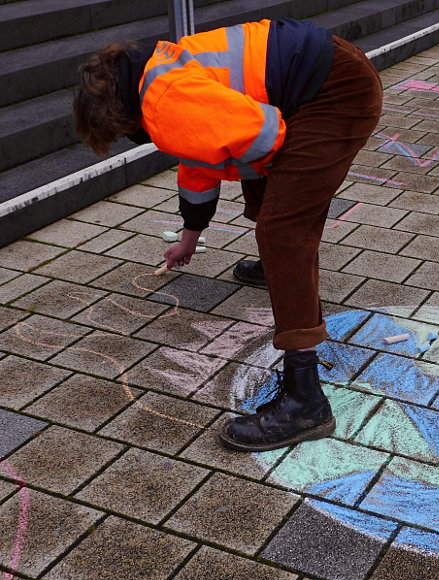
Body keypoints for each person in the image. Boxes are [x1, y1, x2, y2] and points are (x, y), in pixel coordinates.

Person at [74, 18, 383, 451]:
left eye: (121, 134)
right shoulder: (156, 74)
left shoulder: (162, 102)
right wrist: (190, 236)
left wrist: (286, 206)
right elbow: (200, 154)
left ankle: (306, 402)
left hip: (334, 90)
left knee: (283, 230)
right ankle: (276, 269)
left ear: (117, 116)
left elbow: (263, 136)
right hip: (325, 70)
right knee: (275, 201)